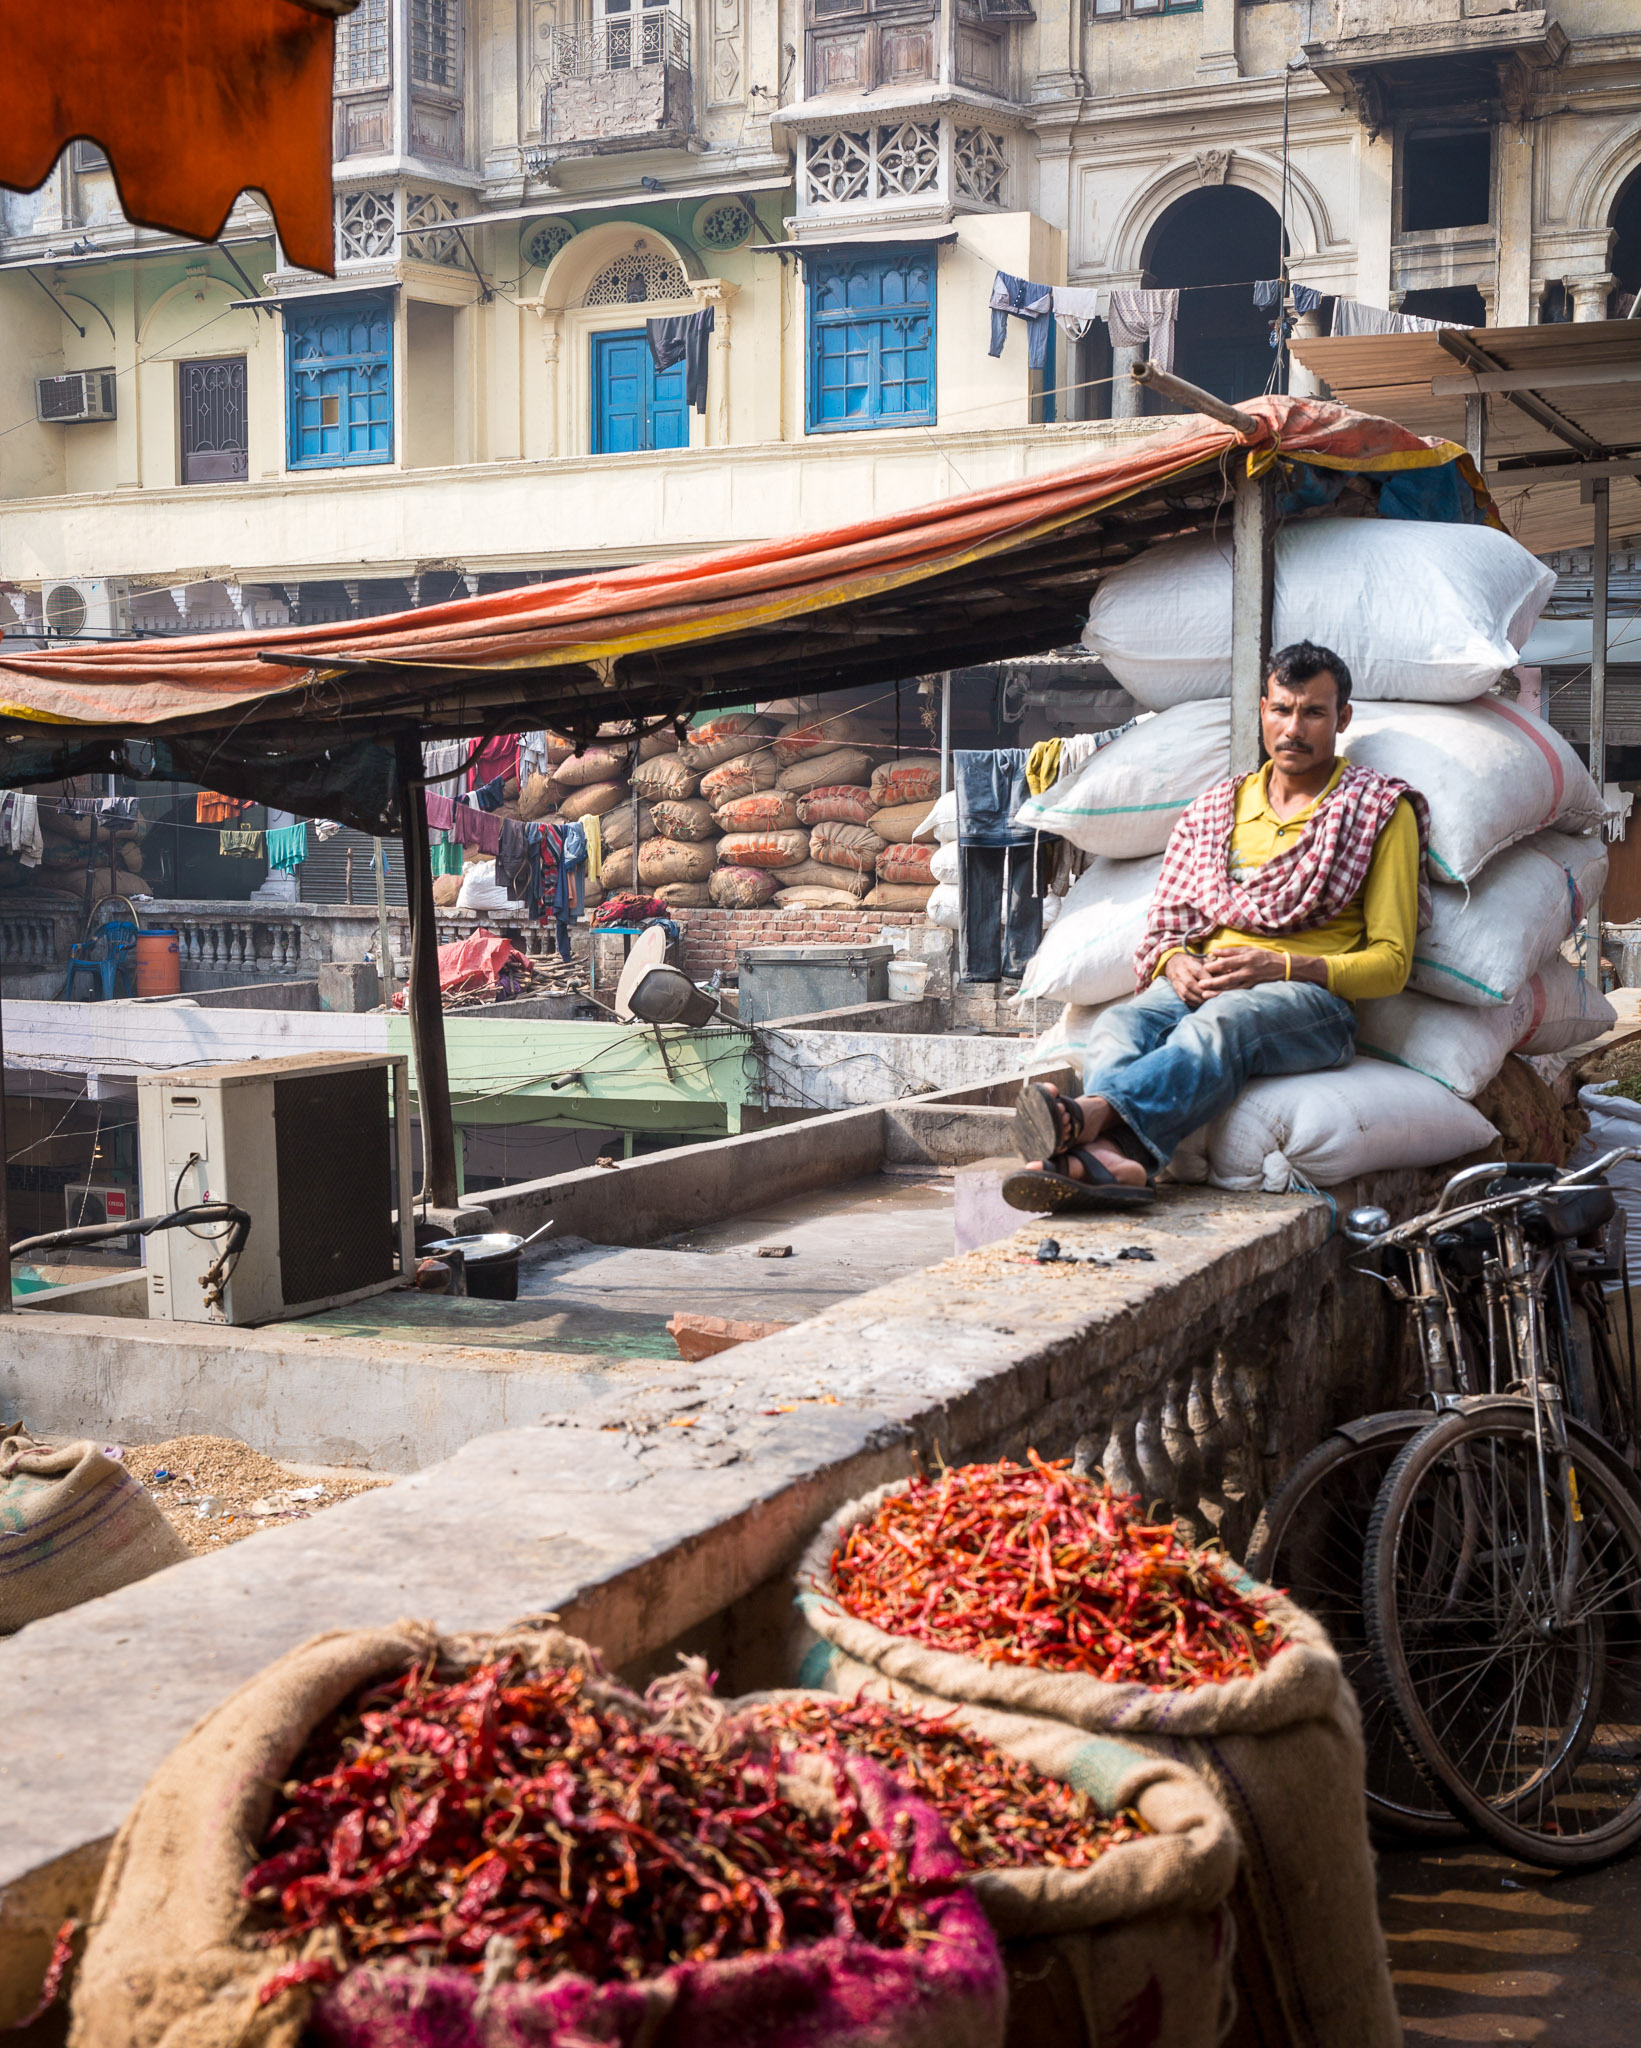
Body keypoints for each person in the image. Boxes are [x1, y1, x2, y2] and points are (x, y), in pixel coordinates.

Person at [1006, 640, 1429, 1212]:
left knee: (1225, 1021)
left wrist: (1279, 965)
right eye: (1281, 710)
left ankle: (1087, 1118)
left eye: (1313, 712)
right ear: (1262, 711)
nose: (1293, 728)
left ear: (1342, 719)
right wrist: (1175, 961)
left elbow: (1391, 964)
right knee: (1118, 1025)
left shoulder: (1377, 810)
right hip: (1205, 978)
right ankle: (1116, 1161)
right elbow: (1170, 924)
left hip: (1311, 1002)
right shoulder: (1217, 809)